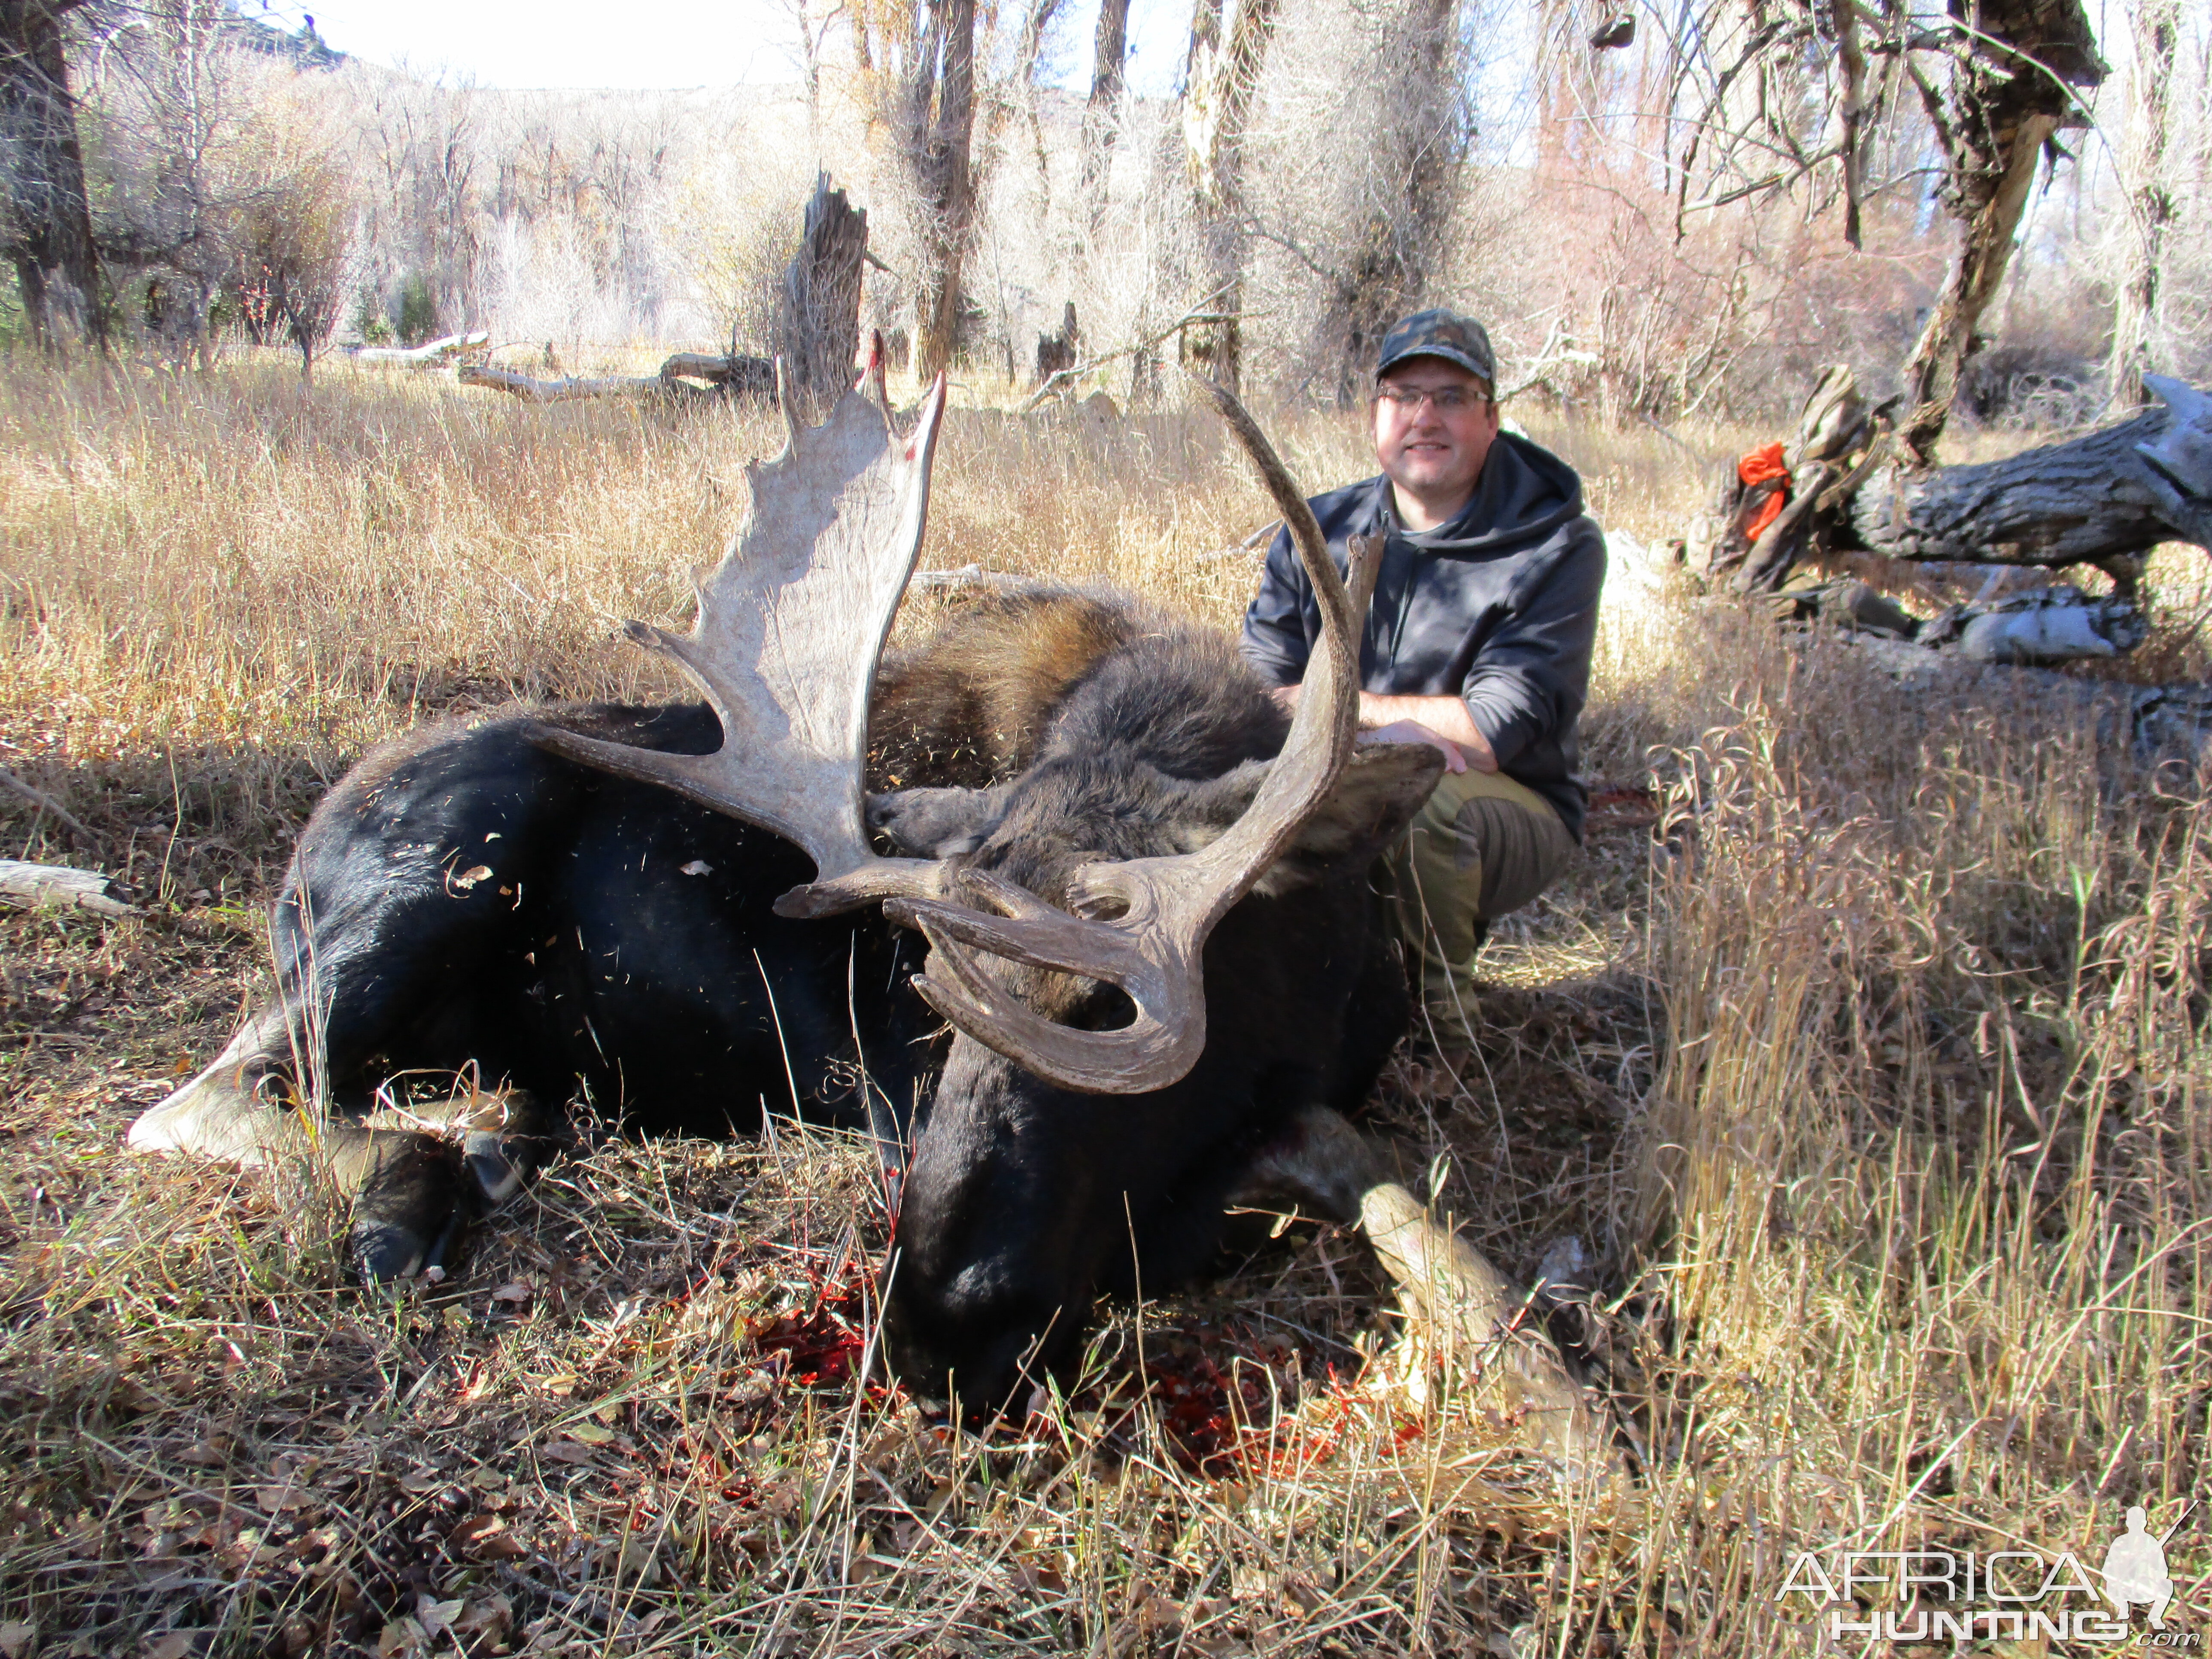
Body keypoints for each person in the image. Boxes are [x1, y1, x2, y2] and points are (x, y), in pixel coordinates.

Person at [1240, 308, 1605, 1052]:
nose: (1425, 417)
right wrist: (1377, 725)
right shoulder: (1315, 529)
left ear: (1493, 417)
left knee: (1422, 799)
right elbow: (1249, 695)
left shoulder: (1556, 546)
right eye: (1404, 396)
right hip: (1338, 774)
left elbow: (1488, 733)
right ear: (1375, 415)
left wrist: (1357, 720)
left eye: (1452, 397)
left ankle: (1441, 1037)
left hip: (1505, 806)